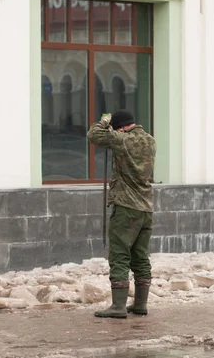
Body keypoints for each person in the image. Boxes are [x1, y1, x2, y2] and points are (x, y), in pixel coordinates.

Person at [86, 109, 156, 319]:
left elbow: (93, 135)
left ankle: (118, 306)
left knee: (119, 255)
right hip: (146, 206)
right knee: (141, 257)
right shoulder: (150, 140)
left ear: (120, 127)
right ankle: (141, 304)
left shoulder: (121, 139)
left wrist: (104, 121)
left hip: (126, 207)